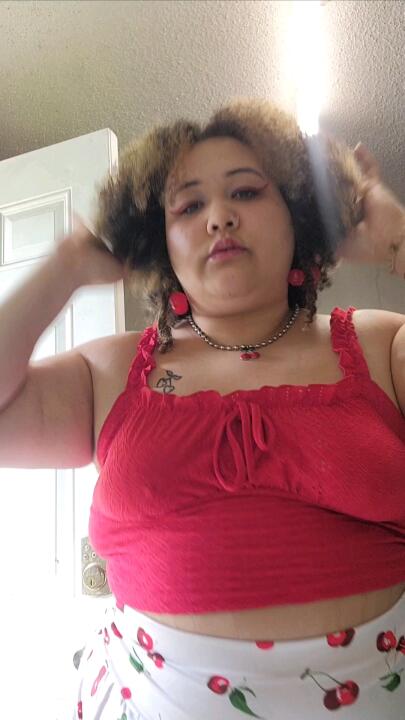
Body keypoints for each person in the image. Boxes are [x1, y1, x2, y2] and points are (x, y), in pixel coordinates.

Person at [1, 99, 405, 720]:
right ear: (158, 240)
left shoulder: (382, 347)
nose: (219, 217)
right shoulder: (109, 372)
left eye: (246, 192)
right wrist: (67, 267)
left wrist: (395, 236)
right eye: (188, 206)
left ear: (299, 214)